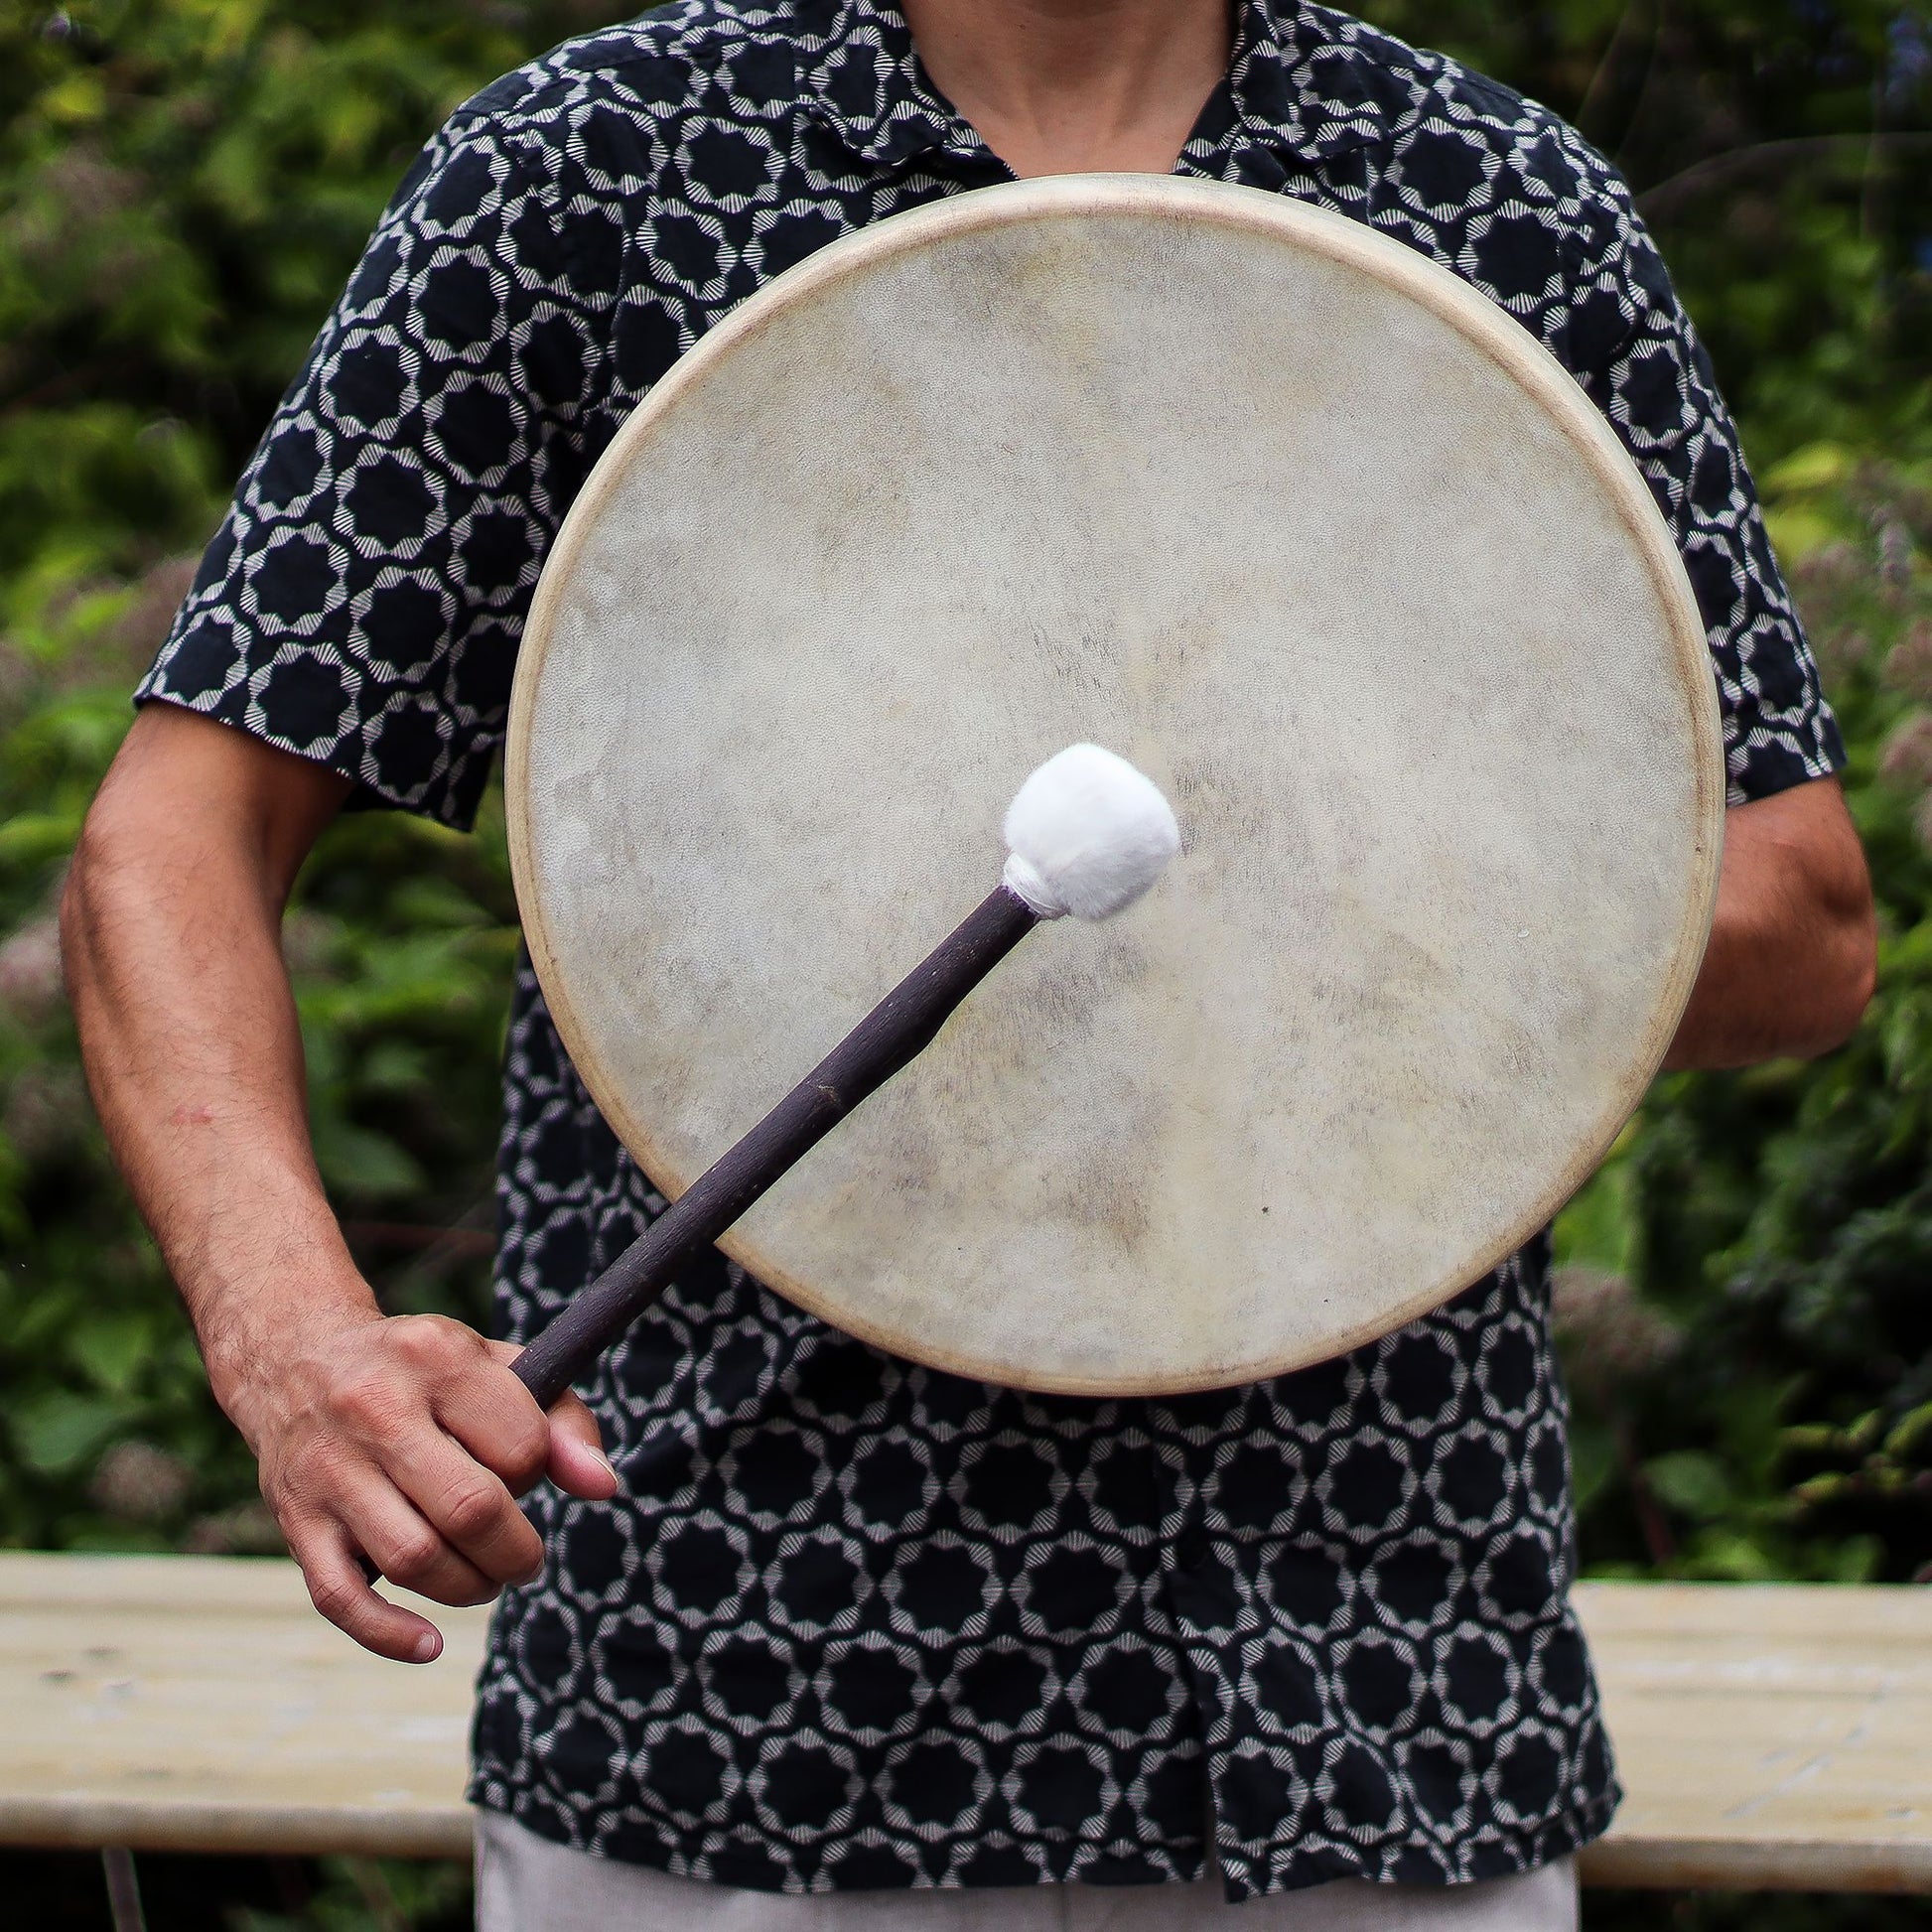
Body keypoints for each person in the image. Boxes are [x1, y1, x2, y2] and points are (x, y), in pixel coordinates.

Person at [63, 1, 1875, 1926]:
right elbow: (172, 839)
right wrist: (295, 1340)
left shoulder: (1493, 204)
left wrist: (1319, 891)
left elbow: (1799, 922)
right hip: (743, 1680)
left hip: (1362, 1689)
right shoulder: (593, 176)